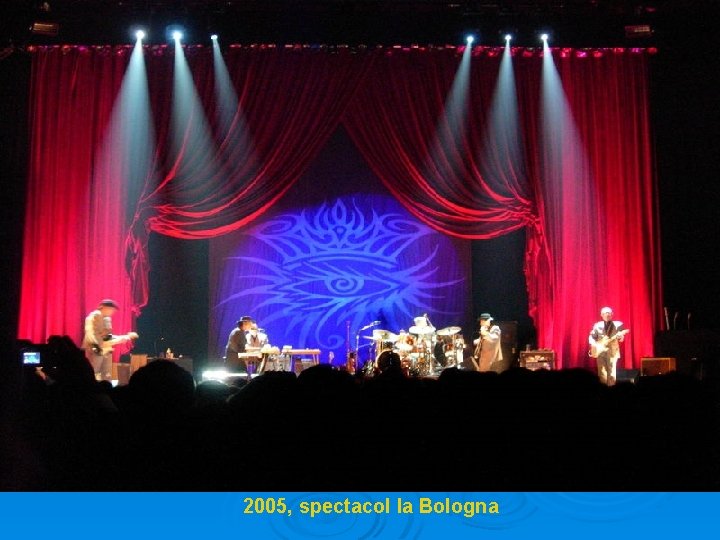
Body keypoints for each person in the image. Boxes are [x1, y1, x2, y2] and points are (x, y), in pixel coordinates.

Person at [82, 299, 137, 381]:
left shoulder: (107, 319)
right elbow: (92, 335)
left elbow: (107, 337)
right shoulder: (95, 316)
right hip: (95, 348)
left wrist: (125, 337)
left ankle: (106, 387)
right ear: (104, 307)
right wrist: (97, 349)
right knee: (93, 372)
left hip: (105, 349)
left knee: (107, 374)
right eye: (111, 309)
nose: (113, 312)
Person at [589, 306, 628, 386]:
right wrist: (593, 346)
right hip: (600, 351)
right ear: (601, 315)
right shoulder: (597, 325)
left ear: (612, 314)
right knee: (601, 372)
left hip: (612, 351)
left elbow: (621, 338)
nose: (607, 315)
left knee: (611, 372)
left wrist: (620, 336)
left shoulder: (618, 324)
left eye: (608, 313)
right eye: (604, 313)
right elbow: (592, 337)